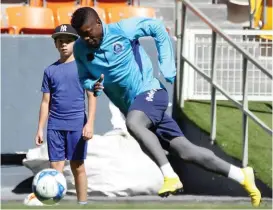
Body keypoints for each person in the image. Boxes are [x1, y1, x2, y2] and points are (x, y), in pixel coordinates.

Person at [70, 8, 261, 206]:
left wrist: (167, 65)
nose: (86, 38)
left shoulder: (123, 29)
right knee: (187, 151)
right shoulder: (80, 49)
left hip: (151, 93)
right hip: (138, 107)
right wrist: (93, 85)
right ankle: (242, 175)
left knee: (133, 123)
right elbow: (84, 77)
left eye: (89, 32)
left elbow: (157, 27)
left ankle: (169, 176)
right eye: (81, 35)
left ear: (99, 24)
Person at [34, 24, 94, 205]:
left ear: (75, 43)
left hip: (77, 124)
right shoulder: (50, 71)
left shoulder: (84, 67)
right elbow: (46, 102)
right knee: (55, 170)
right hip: (55, 126)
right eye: (60, 41)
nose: (64, 45)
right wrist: (40, 128)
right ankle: (55, 205)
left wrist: (89, 123)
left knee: (78, 166)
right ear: (55, 44)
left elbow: (91, 96)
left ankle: (82, 204)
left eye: (68, 41)